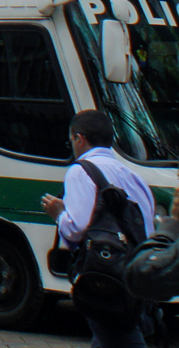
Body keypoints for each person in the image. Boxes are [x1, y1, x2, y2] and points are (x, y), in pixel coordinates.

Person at [42, 110, 157, 348]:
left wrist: (59, 214)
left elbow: (77, 228)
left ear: (79, 139)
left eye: (71, 140)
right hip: (134, 274)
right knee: (109, 336)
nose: (72, 145)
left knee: (121, 339)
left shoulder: (80, 170)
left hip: (102, 276)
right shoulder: (135, 176)